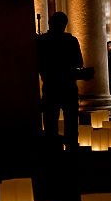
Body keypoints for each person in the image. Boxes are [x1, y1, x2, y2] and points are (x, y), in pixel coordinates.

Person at [36, 11, 93, 149]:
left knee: (50, 124)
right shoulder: (71, 41)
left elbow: (38, 64)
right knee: (71, 124)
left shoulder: (42, 42)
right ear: (64, 25)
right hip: (68, 87)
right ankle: (71, 150)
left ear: (50, 23)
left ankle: (52, 152)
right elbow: (79, 63)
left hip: (51, 87)